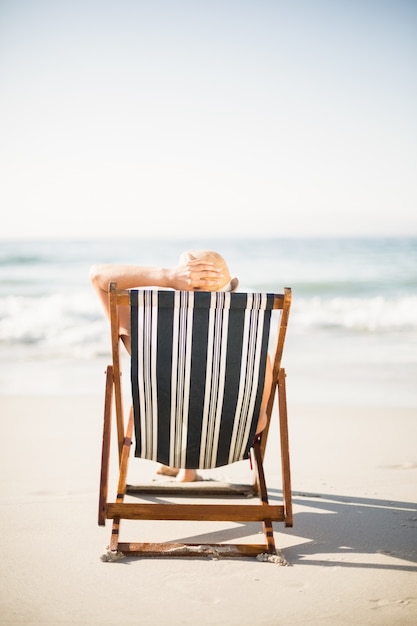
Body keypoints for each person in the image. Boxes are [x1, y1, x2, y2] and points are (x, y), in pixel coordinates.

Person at [90, 250, 271, 482]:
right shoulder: (253, 351)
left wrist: (166, 276)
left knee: (169, 383)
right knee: (203, 391)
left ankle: (183, 465)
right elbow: (259, 422)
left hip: (164, 440)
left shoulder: (151, 337)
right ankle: (188, 469)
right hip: (226, 446)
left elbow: (97, 277)